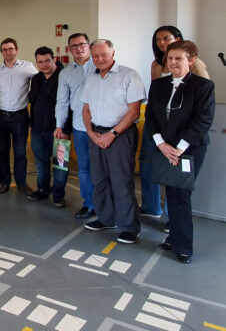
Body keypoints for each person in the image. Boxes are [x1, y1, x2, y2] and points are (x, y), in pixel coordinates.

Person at [144, 40, 214, 264]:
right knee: (170, 193)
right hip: (164, 147)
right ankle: (174, 237)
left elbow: (202, 120)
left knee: (181, 194)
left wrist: (179, 148)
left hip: (190, 148)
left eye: (178, 58)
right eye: (170, 58)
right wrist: (161, 144)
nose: (173, 62)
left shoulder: (203, 86)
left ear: (191, 61)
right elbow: (152, 117)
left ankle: (183, 246)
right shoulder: (158, 85)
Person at [140, 26, 210, 222]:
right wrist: (159, 138)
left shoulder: (195, 66)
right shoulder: (156, 64)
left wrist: (179, 144)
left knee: (177, 182)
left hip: (181, 133)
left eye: (166, 38)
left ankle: (174, 220)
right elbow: (155, 100)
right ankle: (151, 207)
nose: (162, 43)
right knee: (148, 167)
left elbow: (202, 101)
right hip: (157, 129)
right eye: (158, 40)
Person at [81, 39, 145, 244]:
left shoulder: (129, 75)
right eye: (95, 56)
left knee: (121, 182)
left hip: (120, 135)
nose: (99, 59)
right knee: (99, 179)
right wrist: (90, 132)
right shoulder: (91, 78)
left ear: (113, 53)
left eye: (104, 55)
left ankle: (129, 227)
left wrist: (112, 134)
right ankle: (106, 218)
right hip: (96, 134)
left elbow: (134, 111)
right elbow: (86, 109)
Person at [55, 32, 97, 220]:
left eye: (82, 44)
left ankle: (108, 203)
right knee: (85, 168)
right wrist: (59, 125)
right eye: (74, 46)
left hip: (105, 127)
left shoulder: (100, 65)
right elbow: (62, 101)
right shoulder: (66, 73)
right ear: (69, 49)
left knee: (106, 168)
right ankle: (89, 204)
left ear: (89, 45)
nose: (78, 48)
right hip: (80, 127)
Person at [0, 38, 37, 195]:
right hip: (1, 116)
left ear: (16, 50)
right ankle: (4, 182)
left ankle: (21, 183)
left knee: (20, 152)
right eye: (4, 49)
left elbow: (39, 82)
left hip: (20, 116)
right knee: (2, 152)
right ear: (1, 52)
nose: (8, 52)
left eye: (11, 49)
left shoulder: (28, 67)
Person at [28, 47, 71, 208]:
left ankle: (58, 195)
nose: (44, 64)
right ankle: (43, 189)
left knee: (60, 164)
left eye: (47, 60)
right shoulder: (37, 78)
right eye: (40, 62)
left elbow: (70, 105)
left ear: (54, 59)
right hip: (38, 129)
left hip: (59, 130)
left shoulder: (64, 77)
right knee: (40, 163)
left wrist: (65, 129)